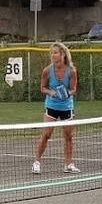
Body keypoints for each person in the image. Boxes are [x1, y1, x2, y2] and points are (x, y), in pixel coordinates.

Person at [33, 42, 79, 174]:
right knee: (47, 134)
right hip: (51, 105)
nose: (52, 55)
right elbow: (43, 88)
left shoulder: (71, 71)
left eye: (55, 53)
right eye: (51, 53)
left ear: (62, 54)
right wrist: (52, 93)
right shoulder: (47, 71)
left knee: (68, 135)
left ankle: (68, 164)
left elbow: (74, 89)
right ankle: (36, 162)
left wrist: (65, 94)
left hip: (66, 106)